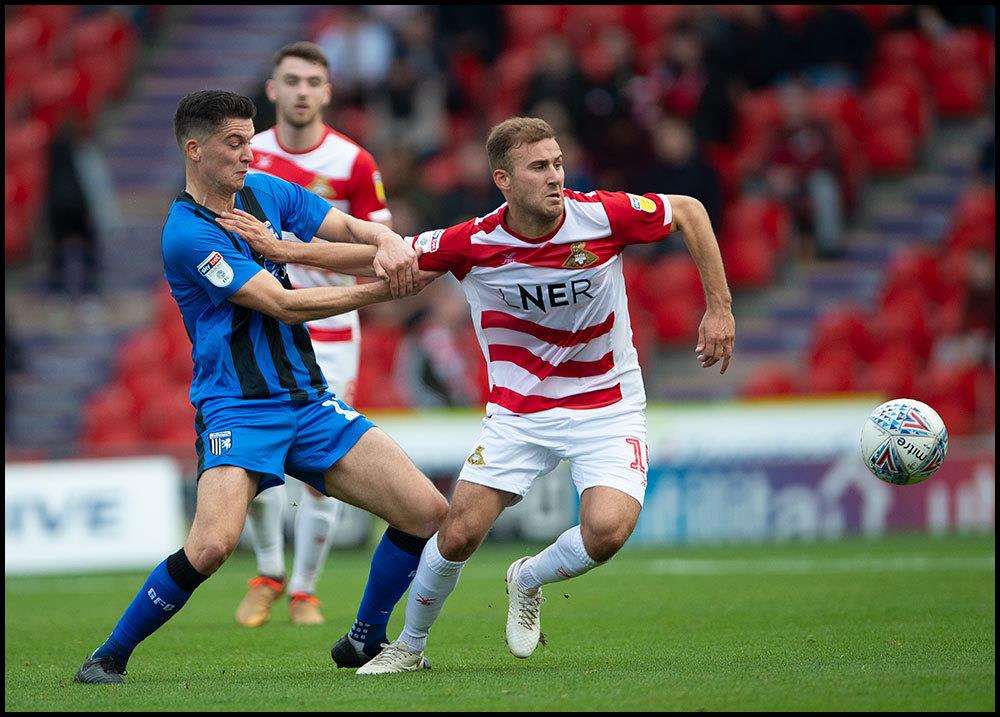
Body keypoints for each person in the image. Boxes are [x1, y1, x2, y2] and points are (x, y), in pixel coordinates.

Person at [242, 117, 736, 673]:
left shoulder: (601, 214)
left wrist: (718, 307)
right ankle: (409, 646)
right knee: (457, 533)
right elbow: (387, 257)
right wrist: (289, 252)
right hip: (519, 414)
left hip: (608, 402)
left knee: (606, 533)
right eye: (539, 167)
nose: (555, 177)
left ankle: (527, 577)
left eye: (557, 163)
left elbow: (689, 209)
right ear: (503, 179)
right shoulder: (472, 242)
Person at [73, 89, 448, 684]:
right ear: (195, 150)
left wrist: (386, 243)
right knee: (213, 545)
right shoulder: (187, 234)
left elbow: (347, 227)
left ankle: (365, 638)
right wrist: (384, 289)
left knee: (426, 510)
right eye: (234, 142)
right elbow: (282, 304)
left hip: (307, 399)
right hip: (238, 409)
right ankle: (108, 657)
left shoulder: (266, 192)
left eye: (251, 139)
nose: (250, 153)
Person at [233, 41, 394, 630]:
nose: (302, 92)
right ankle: (269, 574)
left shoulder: (354, 163)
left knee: (325, 460)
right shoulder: (246, 157)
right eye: (291, 81)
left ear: (327, 92)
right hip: (263, 321)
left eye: (313, 82)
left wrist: (297, 250)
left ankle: (305, 590)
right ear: (273, 89)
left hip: (329, 325)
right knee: (256, 451)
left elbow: (382, 248)